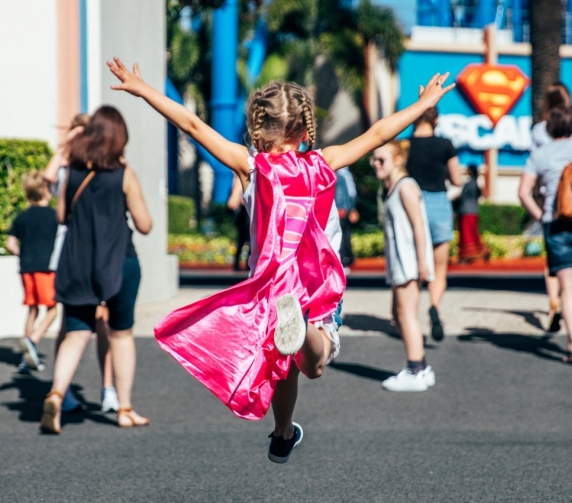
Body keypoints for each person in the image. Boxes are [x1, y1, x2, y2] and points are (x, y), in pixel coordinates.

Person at [107, 56, 454, 463]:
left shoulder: (251, 167)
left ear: (259, 127)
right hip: (317, 284)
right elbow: (379, 134)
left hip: (272, 286)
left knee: (284, 367)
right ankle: (304, 335)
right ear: (305, 127)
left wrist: (144, 88)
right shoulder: (324, 162)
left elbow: (193, 126)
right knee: (317, 363)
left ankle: (283, 430)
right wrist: (421, 105)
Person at [40, 106, 153, 434]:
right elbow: (145, 224)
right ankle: (125, 409)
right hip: (119, 262)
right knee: (121, 335)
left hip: (78, 263)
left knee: (75, 334)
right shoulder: (123, 173)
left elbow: (62, 215)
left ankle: (56, 395)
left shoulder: (73, 171)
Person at [42, 114, 119, 413]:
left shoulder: (96, 162)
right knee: (78, 320)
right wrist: (66, 144)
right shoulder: (72, 162)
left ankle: (100, 387)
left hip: (75, 247)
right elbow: (50, 178)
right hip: (82, 247)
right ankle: (85, 389)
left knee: (96, 319)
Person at [519, 103, 572, 363]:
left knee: (567, 286)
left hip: (556, 225)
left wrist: (541, 215)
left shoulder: (540, 155)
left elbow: (523, 192)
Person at [372, 141, 435, 392]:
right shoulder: (391, 187)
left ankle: (416, 369)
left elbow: (419, 225)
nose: (376, 164)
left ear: (398, 160)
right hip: (400, 261)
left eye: (381, 160)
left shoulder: (406, 187)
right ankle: (422, 367)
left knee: (407, 315)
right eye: (374, 160)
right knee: (398, 315)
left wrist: (421, 261)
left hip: (409, 261)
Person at [406, 107, 461, 342]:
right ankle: (435, 306)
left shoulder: (404, 145)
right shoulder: (445, 144)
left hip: (411, 203)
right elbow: (457, 179)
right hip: (438, 203)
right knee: (439, 268)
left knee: (413, 266)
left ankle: (410, 318)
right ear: (436, 119)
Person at [530, 83, 572, 333]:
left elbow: (527, 185)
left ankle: (555, 305)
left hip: (553, 209)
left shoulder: (539, 132)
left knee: (558, 271)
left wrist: (542, 213)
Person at [7, 171, 59, 372]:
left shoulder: (22, 217)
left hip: (26, 268)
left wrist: (22, 253)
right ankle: (32, 341)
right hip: (45, 269)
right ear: (46, 192)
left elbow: (11, 243)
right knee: (52, 310)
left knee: (32, 309)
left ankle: (25, 358)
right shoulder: (54, 216)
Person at [456, 164, 487, 262]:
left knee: (467, 234)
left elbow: (461, 198)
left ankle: (467, 255)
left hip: (466, 211)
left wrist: (452, 202)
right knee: (473, 233)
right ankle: (481, 251)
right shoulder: (477, 184)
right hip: (474, 211)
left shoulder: (469, 184)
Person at [335, 167, 359, 271]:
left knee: (342, 235)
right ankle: (344, 260)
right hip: (343, 208)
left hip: (342, 208)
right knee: (343, 235)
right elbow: (349, 193)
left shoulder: (342, 175)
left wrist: (346, 207)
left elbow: (347, 193)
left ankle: (344, 260)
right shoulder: (343, 174)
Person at [227, 175, 250, 271]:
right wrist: (235, 196)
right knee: (247, 237)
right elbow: (240, 179)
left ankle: (240, 264)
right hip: (245, 209)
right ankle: (243, 264)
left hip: (245, 208)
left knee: (243, 238)